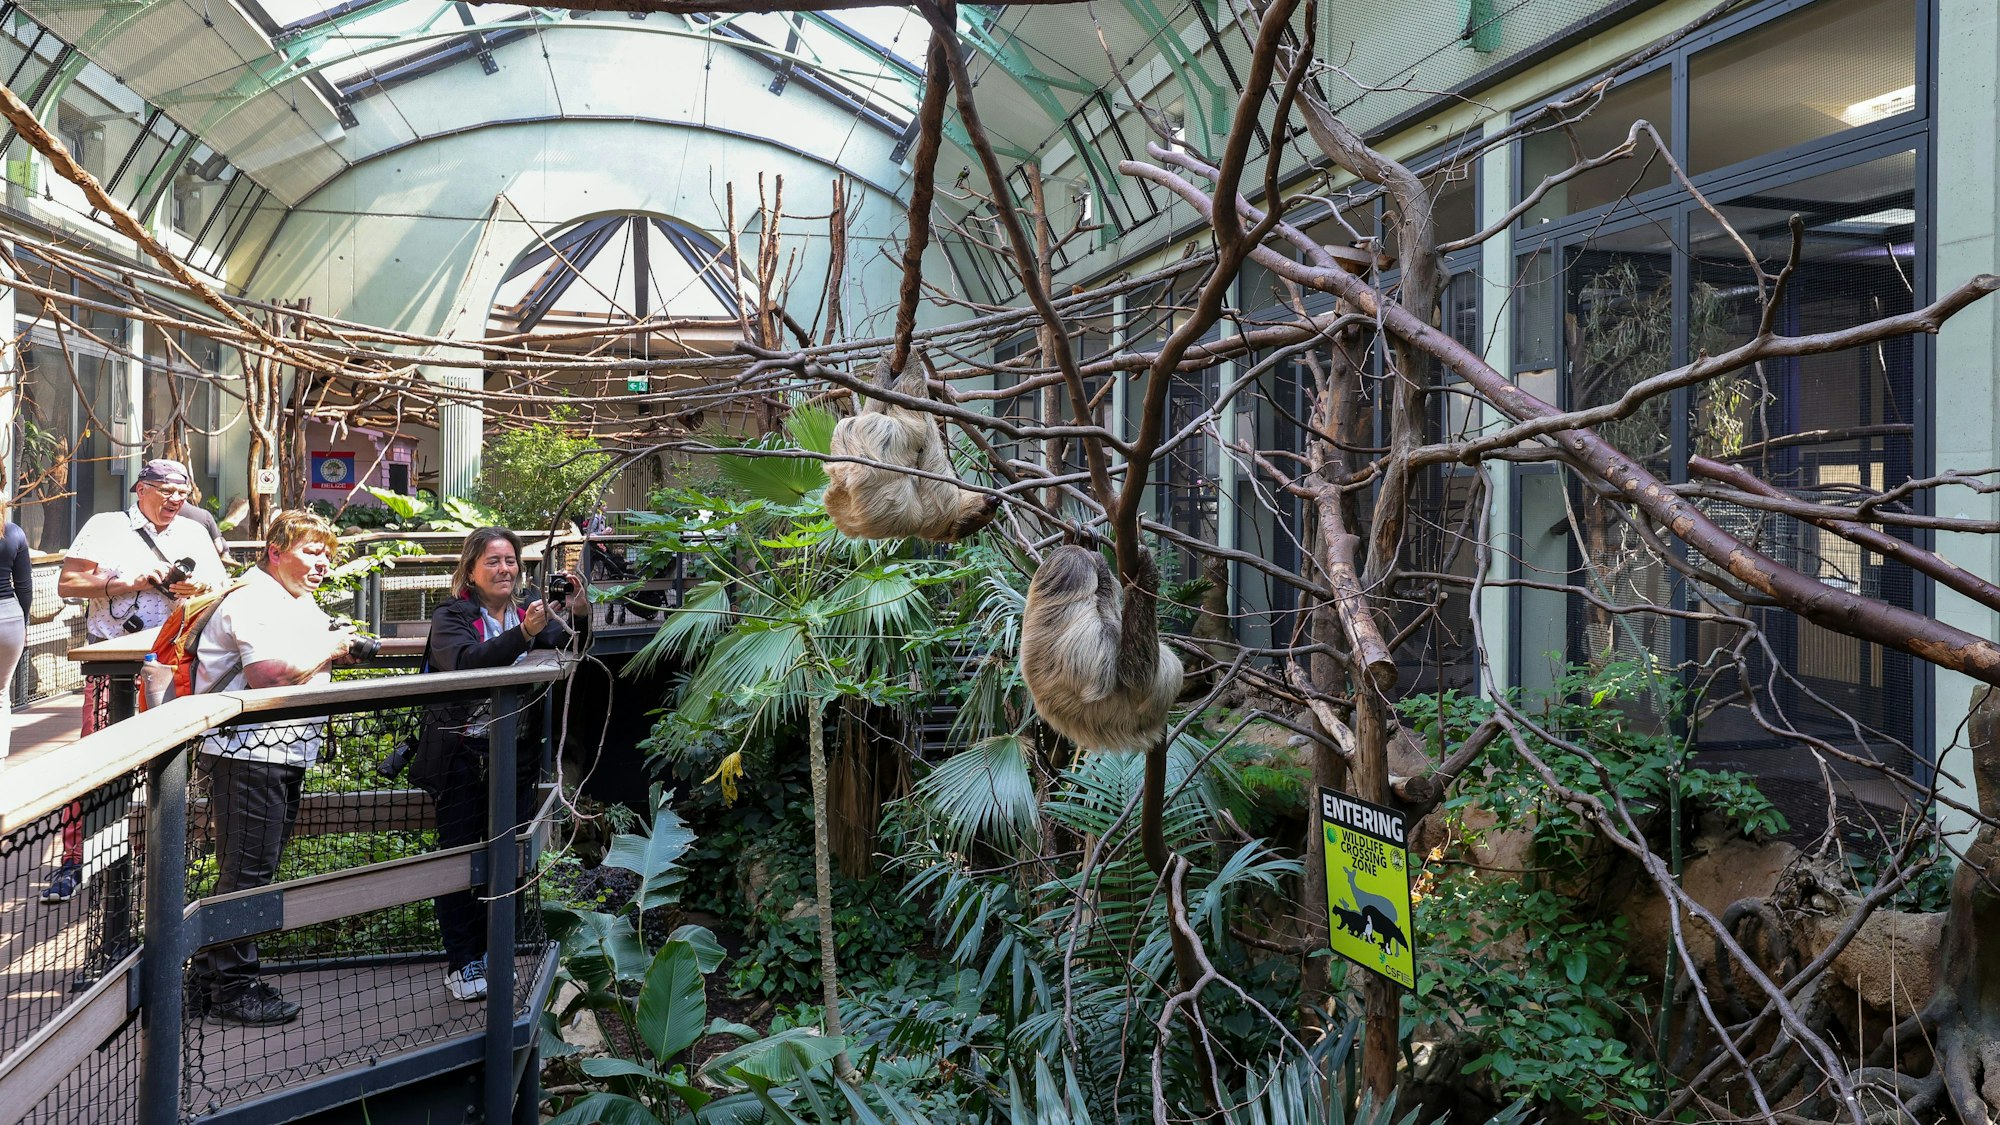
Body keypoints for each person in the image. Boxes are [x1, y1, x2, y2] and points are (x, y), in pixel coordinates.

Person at [188, 510, 360, 1025]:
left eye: (327, 553)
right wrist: (331, 646)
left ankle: (207, 979)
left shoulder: (293, 599)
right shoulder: (253, 599)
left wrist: (330, 651)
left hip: (279, 751)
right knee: (248, 875)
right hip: (249, 753)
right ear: (276, 551)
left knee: (251, 870)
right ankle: (234, 989)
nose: (322, 562)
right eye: (311, 550)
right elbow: (266, 675)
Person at [414, 528, 586, 1001]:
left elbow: (574, 640)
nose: (505, 569)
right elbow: (467, 663)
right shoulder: (453, 615)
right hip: (461, 757)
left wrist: (578, 608)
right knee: (460, 859)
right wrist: (525, 634)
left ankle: (495, 953)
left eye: (510, 560)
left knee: (506, 857)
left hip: (514, 755)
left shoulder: (525, 610)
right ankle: (463, 962)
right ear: (470, 568)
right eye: (493, 561)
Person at [46, 458, 227, 903]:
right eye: (165, 490)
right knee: (101, 758)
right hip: (115, 665)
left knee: (179, 757)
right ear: (140, 489)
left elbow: (223, 583)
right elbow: (68, 584)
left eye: (182, 491)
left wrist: (199, 586)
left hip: (178, 661)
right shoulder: (106, 526)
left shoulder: (194, 531)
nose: (175, 499)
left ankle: (169, 852)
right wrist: (128, 583)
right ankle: (80, 858)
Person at [0, 512, 29, 763]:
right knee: (1, 694)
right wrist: (25, 622)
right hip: (9, 619)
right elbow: (24, 587)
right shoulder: (14, 533)